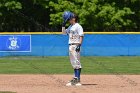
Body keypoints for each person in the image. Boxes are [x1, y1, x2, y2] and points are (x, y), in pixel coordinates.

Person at [62, 11, 84, 86]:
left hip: (76, 45)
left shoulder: (78, 26)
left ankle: (77, 80)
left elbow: (81, 35)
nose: (69, 20)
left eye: (69, 19)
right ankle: (75, 78)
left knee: (77, 62)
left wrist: (79, 45)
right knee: (73, 62)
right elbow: (64, 33)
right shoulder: (70, 26)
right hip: (70, 45)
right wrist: (63, 26)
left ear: (74, 18)